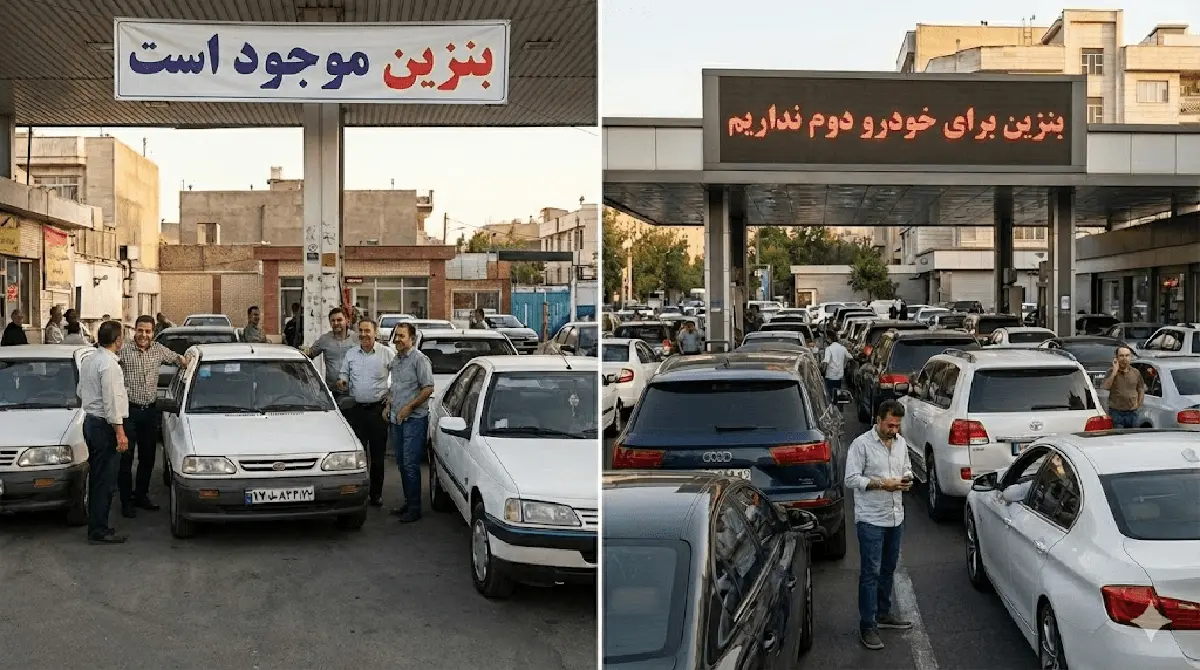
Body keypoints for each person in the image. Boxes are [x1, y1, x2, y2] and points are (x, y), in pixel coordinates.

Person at [844, 399, 914, 650]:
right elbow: (851, 479)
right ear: (878, 420)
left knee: (888, 568)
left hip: (895, 517)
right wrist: (883, 484)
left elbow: (907, 468)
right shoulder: (861, 445)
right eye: (890, 425)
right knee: (870, 573)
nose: (894, 430)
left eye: (897, 426)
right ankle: (867, 625)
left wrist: (907, 479)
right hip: (870, 519)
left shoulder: (901, 443)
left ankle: (883, 614)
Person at [116, 315, 190, 518]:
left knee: (148, 457)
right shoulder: (123, 351)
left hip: (149, 412)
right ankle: (125, 501)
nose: (143, 335)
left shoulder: (158, 350)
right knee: (126, 459)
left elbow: (178, 359)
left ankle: (141, 495)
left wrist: (187, 361)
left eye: (148, 331)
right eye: (140, 330)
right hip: (128, 413)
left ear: (153, 332)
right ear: (135, 330)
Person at [78, 320, 130, 544]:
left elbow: (80, 391)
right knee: (105, 481)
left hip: (91, 421)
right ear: (118, 340)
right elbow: (111, 402)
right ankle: (99, 529)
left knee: (97, 477)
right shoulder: (109, 365)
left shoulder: (89, 359)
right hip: (104, 426)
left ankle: (96, 524)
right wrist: (120, 432)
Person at [337, 318, 394, 507]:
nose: (363, 334)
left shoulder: (386, 353)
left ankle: (376, 494)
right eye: (361, 331)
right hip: (357, 411)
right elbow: (344, 373)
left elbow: (398, 377)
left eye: (367, 331)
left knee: (377, 456)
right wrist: (342, 381)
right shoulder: (351, 354)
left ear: (375, 333)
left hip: (378, 411)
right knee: (356, 456)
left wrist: (391, 396)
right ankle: (357, 494)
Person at [385, 322, 434, 523]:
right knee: (402, 464)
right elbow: (395, 387)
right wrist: (388, 405)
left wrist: (410, 407)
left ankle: (415, 509)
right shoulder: (396, 360)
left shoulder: (420, 360)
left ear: (411, 339)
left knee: (410, 464)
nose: (397, 339)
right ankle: (408, 501)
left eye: (401, 336)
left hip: (414, 419)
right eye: (396, 335)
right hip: (396, 419)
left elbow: (428, 388)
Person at [305, 307, 356, 400]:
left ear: (346, 320)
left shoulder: (356, 339)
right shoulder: (325, 340)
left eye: (339, 320)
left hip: (354, 392)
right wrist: (304, 351)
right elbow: (310, 354)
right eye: (333, 321)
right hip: (333, 393)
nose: (336, 323)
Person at [1102, 345, 1144, 429]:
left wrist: (1139, 404)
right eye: (1121, 356)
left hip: (1132, 412)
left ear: (1130, 357)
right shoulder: (1110, 372)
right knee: (1119, 435)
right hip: (1116, 412)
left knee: (1132, 435)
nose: (1124, 358)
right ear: (1116, 358)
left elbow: (1141, 389)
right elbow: (1106, 387)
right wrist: (1114, 372)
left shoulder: (1136, 372)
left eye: (1127, 355)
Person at [822, 335, 848, 400]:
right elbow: (845, 360)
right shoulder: (842, 348)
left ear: (830, 339)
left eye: (827, 339)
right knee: (836, 393)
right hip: (839, 376)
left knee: (829, 395)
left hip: (830, 375)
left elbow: (826, 361)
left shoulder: (829, 349)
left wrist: (823, 370)